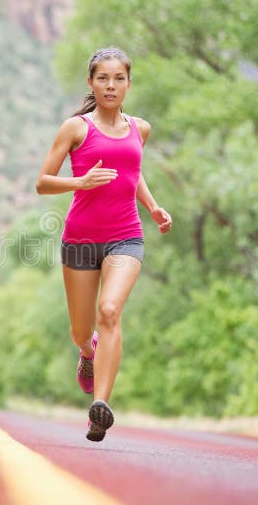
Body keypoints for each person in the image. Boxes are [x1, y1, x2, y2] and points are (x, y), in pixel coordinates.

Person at [35, 47, 172, 442]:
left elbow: (133, 172)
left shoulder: (139, 129)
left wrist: (154, 206)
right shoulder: (76, 128)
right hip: (79, 238)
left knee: (110, 311)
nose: (111, 85)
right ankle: (87, 353)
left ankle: (101, 407)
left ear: (129, 83)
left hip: (126, 235)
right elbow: (43, 182)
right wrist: (78, 182)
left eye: (119, 78)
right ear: (91, 82)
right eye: (103, 78)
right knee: (82, 330)